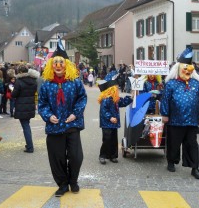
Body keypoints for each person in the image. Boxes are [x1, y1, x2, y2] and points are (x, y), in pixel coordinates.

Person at [38, 38, 87, 197]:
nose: (58, 66)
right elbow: (42, 104)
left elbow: (82, 98)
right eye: (55, 63)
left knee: (76, 156)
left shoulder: (75, 82)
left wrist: (75, 114)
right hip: (54, 126)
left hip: (72, 124)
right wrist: (48, 115)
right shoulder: (46, 84)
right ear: (51, 65)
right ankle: (63, 184)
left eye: (61, 63)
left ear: (67, 65)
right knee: (57, 158)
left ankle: (73, 181)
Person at [160, 47, 199, 179]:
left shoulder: (197, 84)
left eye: (189, 68)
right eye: (184, 68)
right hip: (175, 120)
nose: (186, 71)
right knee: (174, 143)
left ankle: (194, 167)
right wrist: (165, 114)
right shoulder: (171, 84)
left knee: (192, 144)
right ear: (178, 68)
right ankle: (171, 161)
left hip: (192, 120)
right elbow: (165, 100)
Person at [97, 71, 133, 164]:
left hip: (114, 123)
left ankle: (113, 156)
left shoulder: (115, 99)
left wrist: (131, 98)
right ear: (111, 89)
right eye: (116, 88)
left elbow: (123, 102)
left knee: (113, 140)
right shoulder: (106, 99)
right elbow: (104, 111)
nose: (117, 90)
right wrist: (110, 118)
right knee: (106, 140)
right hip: (107, 123)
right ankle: (103, 155)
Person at [11, 65, 39, 153]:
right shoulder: (34, 80)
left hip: (21, 105)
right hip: (30, 104)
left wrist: (12, 91)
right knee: (27, 125)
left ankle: (30, 147)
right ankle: (29, 145)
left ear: (19, 72)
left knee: (25, 126)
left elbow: (14, 94)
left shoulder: (18, 81)